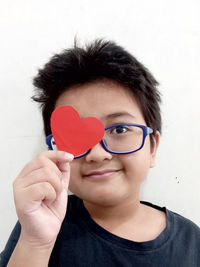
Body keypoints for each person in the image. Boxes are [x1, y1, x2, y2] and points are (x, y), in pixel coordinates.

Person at [0, 39, 200, 267]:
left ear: (152, 147)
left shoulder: (192, 242)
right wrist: (35, 243)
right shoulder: (39, 225)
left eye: (120, 129)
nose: (96, 154)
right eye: (74, 135)